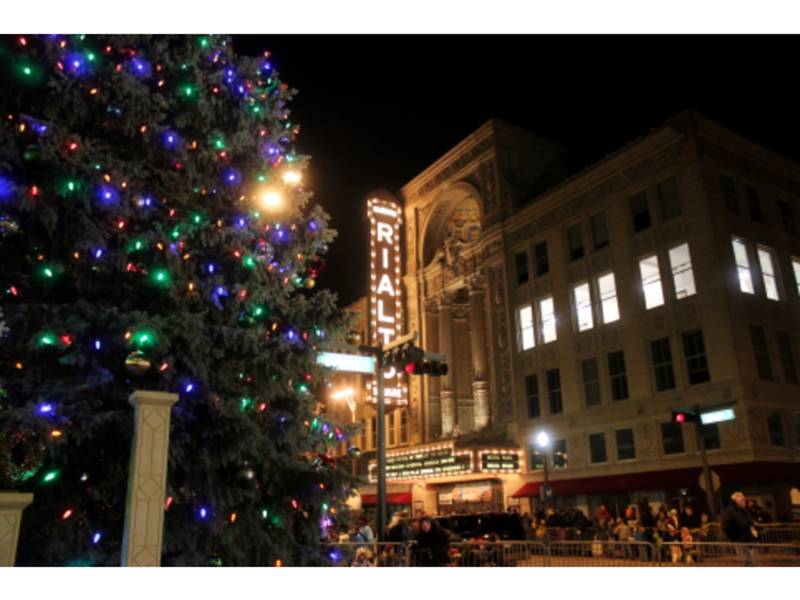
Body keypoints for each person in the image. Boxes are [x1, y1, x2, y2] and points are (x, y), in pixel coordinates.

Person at [721, 491, 759, 566]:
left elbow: (749, 521)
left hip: (749, 539)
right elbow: (726, 526)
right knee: (746, 561)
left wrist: (753, 529)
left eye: (744, 499)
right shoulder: (729, 511)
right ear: (736, 501)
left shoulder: (743, 509)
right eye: (742, 500)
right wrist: (734, 536)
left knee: (753, 560)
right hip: (739, 540)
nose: (744, 501)